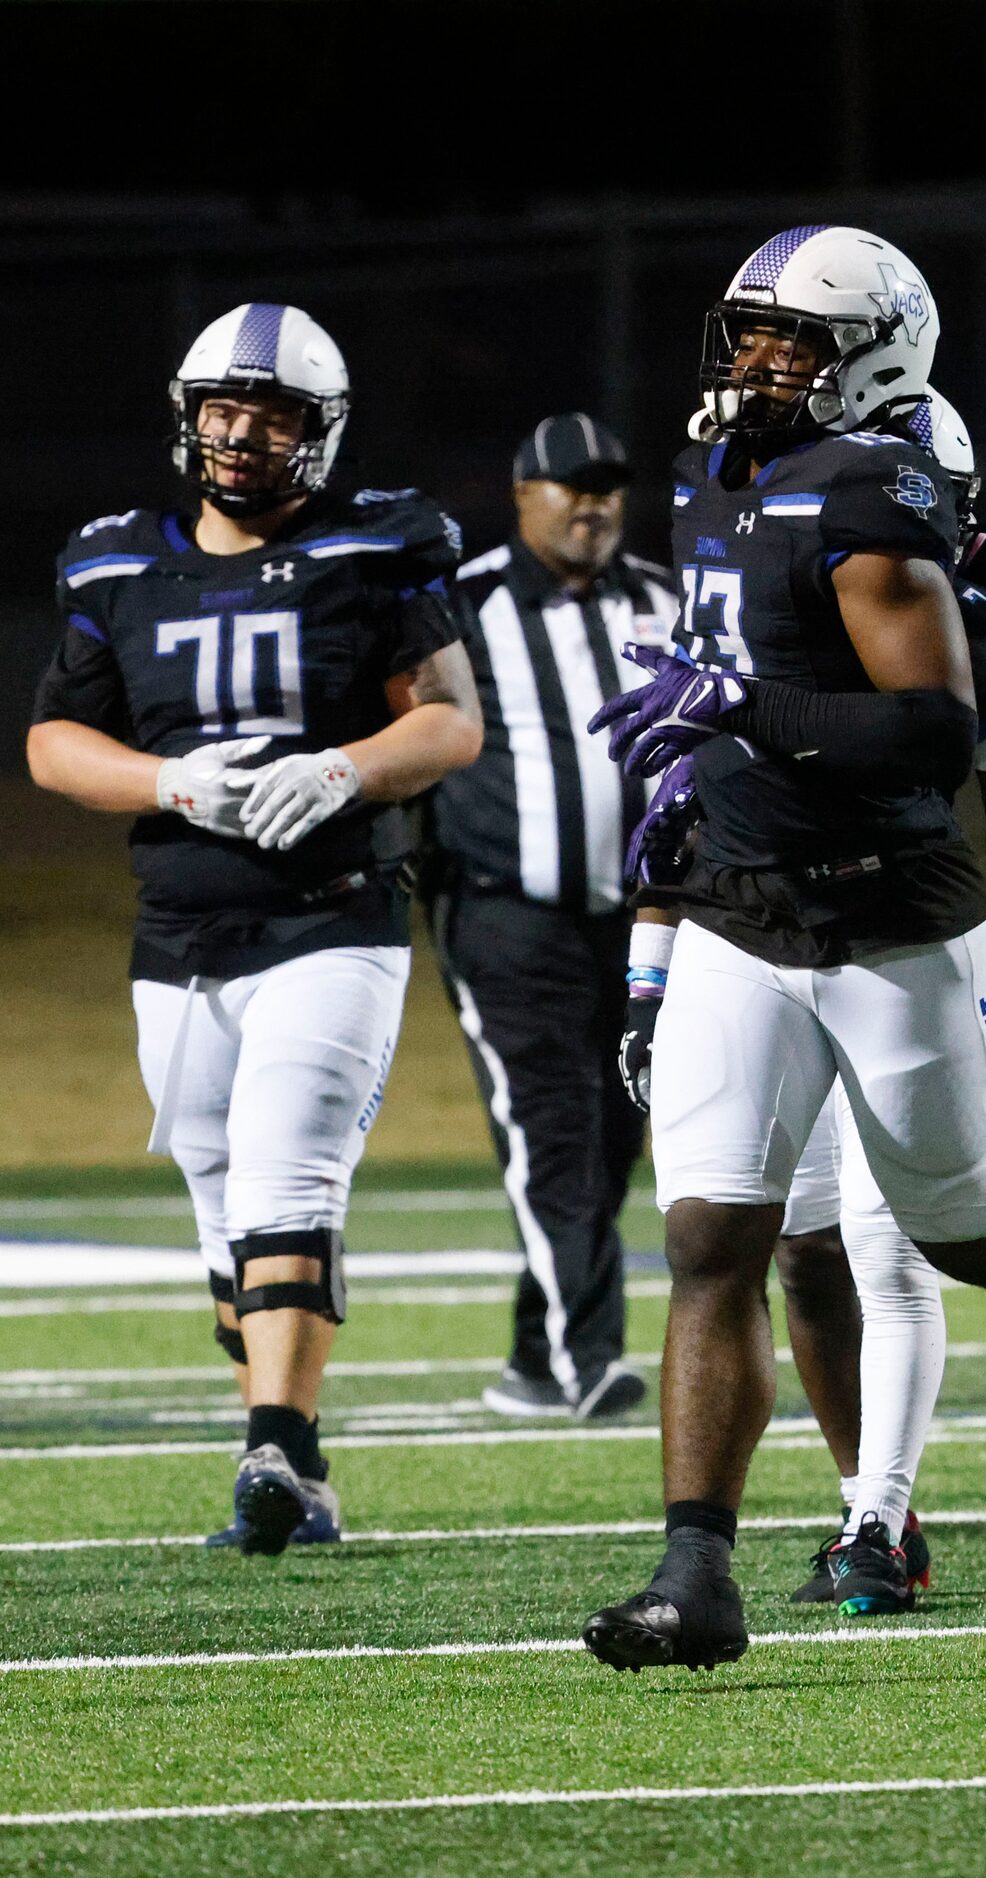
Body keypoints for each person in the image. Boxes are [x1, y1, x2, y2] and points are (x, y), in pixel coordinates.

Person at [579, 226, 986, 1673]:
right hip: (747, 912)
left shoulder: (873, 494)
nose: (752, 362)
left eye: (787, 340)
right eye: (746, 333)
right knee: (711, 1237)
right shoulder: (718, 470)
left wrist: (738, 712)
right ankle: (698, 1571)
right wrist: (667, 903)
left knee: (960, 1227)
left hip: (893, 924)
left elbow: (927, 728)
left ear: (870, 355)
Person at [26, 302, 481, 1551]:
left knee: (290, 1171)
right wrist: (170, 783)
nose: (240, 435)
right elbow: (54, 741)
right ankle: (298, 1460)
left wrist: (342, 770)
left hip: (332, 916)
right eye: (223, 408)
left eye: (271, 414)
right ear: (188, 416)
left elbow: (446, 722)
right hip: (176, 929)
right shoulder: (115, 559)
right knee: (222, 1202)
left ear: (317, 432)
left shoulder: (375, 546)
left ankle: (269, 1448)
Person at [769, 391, 986, 1615]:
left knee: (892, 1238)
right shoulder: (759, 589)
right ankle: (872, 1504)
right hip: (761, 935)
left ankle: (874, 1517)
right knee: (799, 1252)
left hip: (906, 941)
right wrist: (653, 969)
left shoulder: (983, 630)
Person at [430, 412, 679, 1423]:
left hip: (642, 921)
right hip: (505, 913)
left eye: (609, 484)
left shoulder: (665, 598)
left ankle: (535, 1357)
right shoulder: (460, 601)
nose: (592, 502)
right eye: (570, 484)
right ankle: (591, 1361)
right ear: (521, 492)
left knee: (614, 1135)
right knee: (554, 1129)